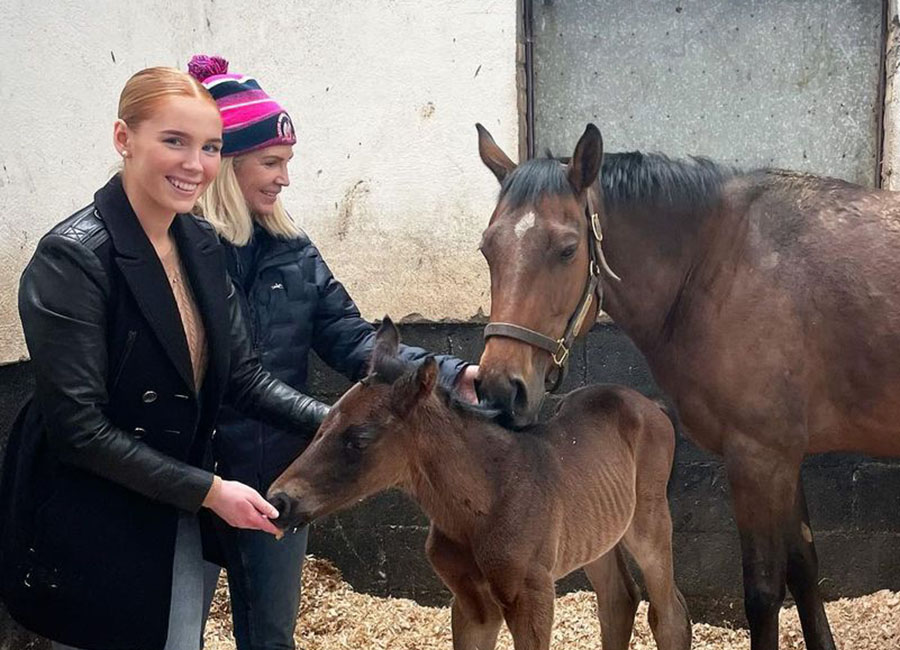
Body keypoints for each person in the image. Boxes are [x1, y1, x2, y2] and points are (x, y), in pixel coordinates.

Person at [0, 65, 331, 650]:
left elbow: (244, 377)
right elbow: (79, 429)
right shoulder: (71, 258)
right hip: (94, 510)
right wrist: (210, 491)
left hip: (173, 499)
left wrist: (337, 424)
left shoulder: (200, 242)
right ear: (124, 139)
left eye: (209, 147)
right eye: (173, 141)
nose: (194, 164)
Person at [186, 55, 478, 650]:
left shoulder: (294, 252)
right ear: (225, 165)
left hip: (275, 476)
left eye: (286, 163)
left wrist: (452, 373)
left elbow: (352, 338)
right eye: (271, 162)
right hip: (185, 475)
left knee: (270, 633)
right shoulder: (179, 253)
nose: (285, 178)